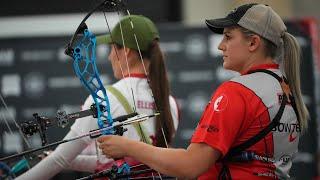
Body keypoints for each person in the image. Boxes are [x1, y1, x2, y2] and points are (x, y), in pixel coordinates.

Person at [98, 3, 309, 179]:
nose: (220, 45)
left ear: (253, 42)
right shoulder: (285, 88)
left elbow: (190, 166)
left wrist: (128, 147)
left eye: (228, 36)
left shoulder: (237, 91)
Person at [16, 15, 180, 179]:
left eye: (112, 48)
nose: (109, 57)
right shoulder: (169, 102)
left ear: (127, 51)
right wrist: (70, 161)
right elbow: (123, 163)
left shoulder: (105, 97)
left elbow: (58, 159)